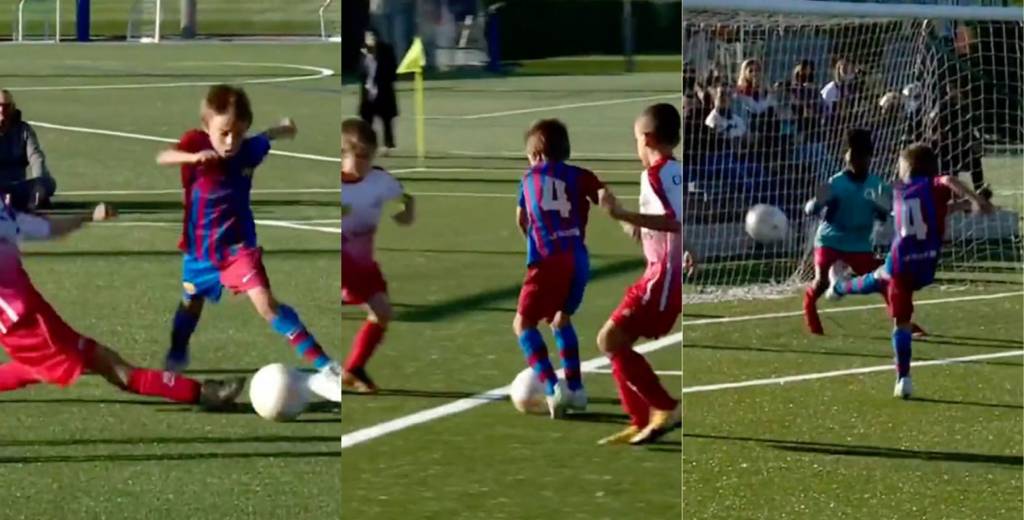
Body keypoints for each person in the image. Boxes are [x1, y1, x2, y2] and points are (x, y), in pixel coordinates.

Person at [155, 84, 340, 403]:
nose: (230, 142)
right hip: (199, 253)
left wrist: (285, 128)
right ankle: (176, 353)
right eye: (223, 133)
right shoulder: (195, 143)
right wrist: (192, 157)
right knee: (190, 304)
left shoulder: (248, 150)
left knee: (266, 304)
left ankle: (327, 367)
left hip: (238, 250)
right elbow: (164, 156)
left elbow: (264, 138)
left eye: (237, 134)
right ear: (206, 127)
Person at [0, 198, 244, 409]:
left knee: (59, 364)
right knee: (107, 365)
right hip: (20, 321)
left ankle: (201, 392)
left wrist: (88, 216)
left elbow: (45, 228)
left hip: (32, 312)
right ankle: (203, 393)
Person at [826, 143, 993, 398]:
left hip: (900, 265)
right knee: (878, 280)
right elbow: (941, 200)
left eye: (901, 165)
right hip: (925, 267)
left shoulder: (899, 189)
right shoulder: (933, 191)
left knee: (892, 306)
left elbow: (946, 181)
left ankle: (903, 378)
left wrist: (975, 201)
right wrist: (972, 202)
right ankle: (838, 287)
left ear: (909, 168)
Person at [513, 119, 613, 418]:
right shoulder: (580, 175)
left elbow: (521, 219)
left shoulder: (528, 179)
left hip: (547, 260)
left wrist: (532, 242)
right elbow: (604, 197)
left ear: (538, 155)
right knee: (560, 320)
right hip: (579, 260)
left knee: (523, 324)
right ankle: (577, 390)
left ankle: (552, 388)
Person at [597, 103, 683, 446]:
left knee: (609, 341)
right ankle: (642, 418)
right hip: (663, 276)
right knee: (616, 344)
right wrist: (615, 213)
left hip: (660, 278)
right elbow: (647, 233)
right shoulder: (673, 172)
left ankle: (665, 407)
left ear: (646, 138)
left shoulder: (656, 174)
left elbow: (674, 222)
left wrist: (623, 211)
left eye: (635, 138)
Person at [803, 129, 925, 337]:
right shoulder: (834, 183)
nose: (858, 160)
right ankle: (811, 314)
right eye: (854, 155)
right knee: (821, 282)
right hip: (829, 240)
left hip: (859, 244)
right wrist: (816, 203)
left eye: (863, 156)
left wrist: (883, 208)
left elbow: (885, 212)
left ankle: (904, 323)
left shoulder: (877, 185)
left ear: (869, 157)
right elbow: (809, 208)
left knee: (885, 282)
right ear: (846, 155)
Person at [340, 118, 414, 393]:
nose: (360, 163)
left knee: (383, 313)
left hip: (364, 264)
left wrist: (407, 207)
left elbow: (403, 214)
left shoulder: (381, 181)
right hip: (343, 261)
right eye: (354, 156)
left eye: (365, 157)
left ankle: (353, 368)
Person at [0, 89, 57, 211]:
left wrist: (39, 185)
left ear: (12, 108)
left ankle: (18, 200)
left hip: (18, 186)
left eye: (6, 106)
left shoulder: (24, 130)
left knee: (49, 183)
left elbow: (36, 158)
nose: (2, 110)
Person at [359, 29, 399, 154]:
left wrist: (380, 84)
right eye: (369, 37)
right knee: (367, 122)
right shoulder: (363, 52)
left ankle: (388, 145)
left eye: (373, 36)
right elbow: (360, 72)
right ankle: (367, 145)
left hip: (383, 91)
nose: (372, 39)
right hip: (368, 93)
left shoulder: (386, 50)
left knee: (386, 120)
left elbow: (391, 70)